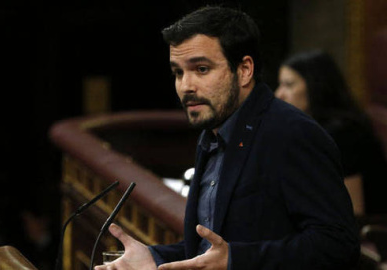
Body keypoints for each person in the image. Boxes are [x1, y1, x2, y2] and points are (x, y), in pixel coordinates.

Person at [95, 5, 359, 270]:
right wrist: (156, 257)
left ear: (244, 70)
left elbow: (337, 245)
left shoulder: (292, 133)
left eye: (201, 69)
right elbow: (213, 250)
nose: (186, 86)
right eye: (178, 72)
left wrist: (236, 260)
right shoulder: (212, 133)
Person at [275, 50, 387, 216]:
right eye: (280, 84)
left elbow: (354, 211)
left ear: (316, 86)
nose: (278, 94)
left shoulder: (344, 133)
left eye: (289, 85)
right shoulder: (307, 129)